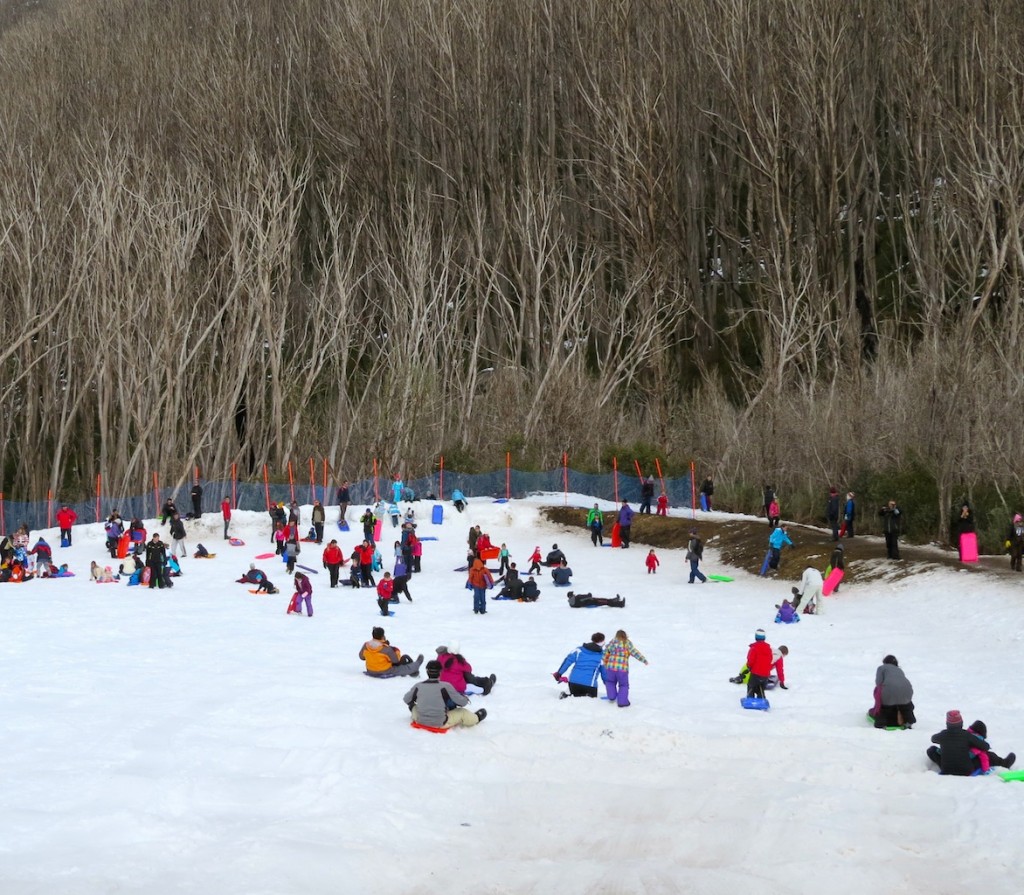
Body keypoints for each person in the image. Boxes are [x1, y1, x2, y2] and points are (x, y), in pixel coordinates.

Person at [404, 660, 486, 728]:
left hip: (420, 720)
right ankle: (476, 718)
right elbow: (462, 703)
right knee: (462, 712)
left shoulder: (418, 686)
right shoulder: (446, 686)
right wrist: (464, 698)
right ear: (440, 672)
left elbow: (406, 699)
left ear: (427, 671)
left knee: (414, 707)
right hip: (440, 722)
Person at [926, 711, 996, 775]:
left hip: (946, 769)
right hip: (966, 770)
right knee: (979, 756)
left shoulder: (943, 734)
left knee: (931, 750)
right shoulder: (967, 735)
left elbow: (933, 739)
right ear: (961, 723)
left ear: (947, 724)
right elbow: (985, 746)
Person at [602, 629, 648, 707]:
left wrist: (605, 663)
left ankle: (611, 696)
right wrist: (644, 660)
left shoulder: (612, 642)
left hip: (610, 667)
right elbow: (635, 652)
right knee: (623, 685)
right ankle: (622, 702)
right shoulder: (627, 643)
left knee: (610, 682)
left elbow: (605, 653)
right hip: (622, 669)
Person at [554, 633, 606, 697]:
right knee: (590, 701)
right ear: (603, 642)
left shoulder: (579, 650)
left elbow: (567, 661)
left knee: (576, 697)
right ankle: (583, 696)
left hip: (573, 682)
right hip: (590, 685)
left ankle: (567, 696)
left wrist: (559, 673)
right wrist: (608, 684)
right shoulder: (602, 656)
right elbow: (604, 673)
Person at [871, 655, 915, 729]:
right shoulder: (899, 670)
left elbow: (879, 683)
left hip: (889, 692)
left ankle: (881, 723)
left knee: (885, 707)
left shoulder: (881, 668)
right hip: (907, 690)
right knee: (905, 705)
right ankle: (908, 720)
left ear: (885, 662)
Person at [745, 629, 773, 698]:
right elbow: (770, 659)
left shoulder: (754, 648)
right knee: (761, 688)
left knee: (751, 686)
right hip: (766, 674)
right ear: (764, 638)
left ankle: (750, 699)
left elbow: (751, 660)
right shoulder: (768, 648)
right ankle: (761, 700)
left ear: (756, 637)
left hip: (756, 673)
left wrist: (749, 666)